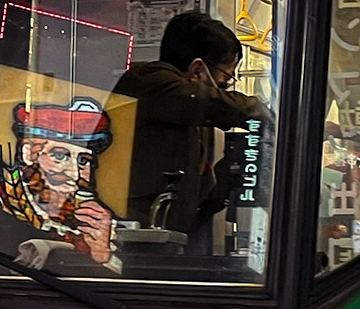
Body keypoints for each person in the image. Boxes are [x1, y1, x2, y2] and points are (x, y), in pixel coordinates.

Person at [112, 13, 266, 240]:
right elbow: (215, 103)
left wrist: (223, 185)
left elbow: (191, 205)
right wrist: (270, 114)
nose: (224, 89)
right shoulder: (147, 83)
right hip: (130, 240)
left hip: (167, 239)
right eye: (224, 82)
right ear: (197, 69)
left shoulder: (188, 113)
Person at [0, 98, 117, 264]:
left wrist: (102, 254)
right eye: (60, 156)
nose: (75, 174)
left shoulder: (95, 219)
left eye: (83, 161)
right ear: (29, 154)